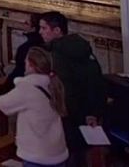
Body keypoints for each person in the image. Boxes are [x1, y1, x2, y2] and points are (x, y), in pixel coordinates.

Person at [40, 11, 106, 155]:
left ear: (57, 30)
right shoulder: (81, 47)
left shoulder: (59, 55)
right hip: (88, 113)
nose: (40, 32)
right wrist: (93, 112)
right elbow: (96, 82)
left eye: (44, 28)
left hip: (70, 116)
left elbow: (66, 89)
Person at [0, 47, 69, 167]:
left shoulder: (27, 88)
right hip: (57, 150)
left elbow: (2, 104)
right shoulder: (54, 83)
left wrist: (19, 82)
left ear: (31, 65)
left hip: (37, 154)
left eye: (25, 63)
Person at [8, 14, 47, 81]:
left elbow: (19, 72)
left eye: (27, 23)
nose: (24, 24)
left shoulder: (24, 48)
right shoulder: (47, 43)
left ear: (33, 28)